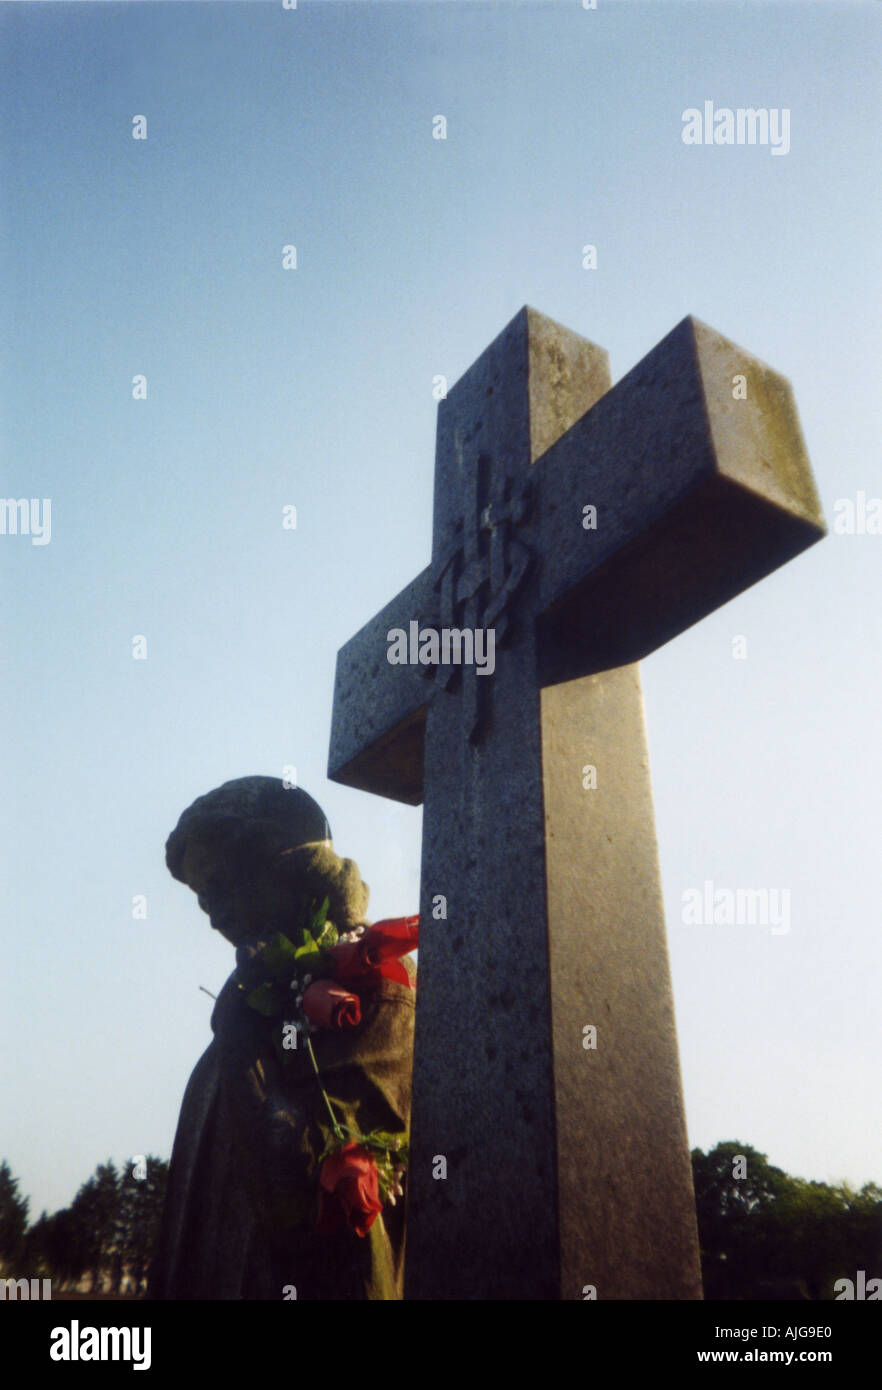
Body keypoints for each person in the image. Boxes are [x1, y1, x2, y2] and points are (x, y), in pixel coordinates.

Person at [148, 776, 415, 1300]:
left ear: (289, 865)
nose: (215, 918)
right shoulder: (238, 1018)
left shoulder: (376, 986)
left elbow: (321, 1202)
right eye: (204, 902)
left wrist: (242, 1044)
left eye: (223, 887)